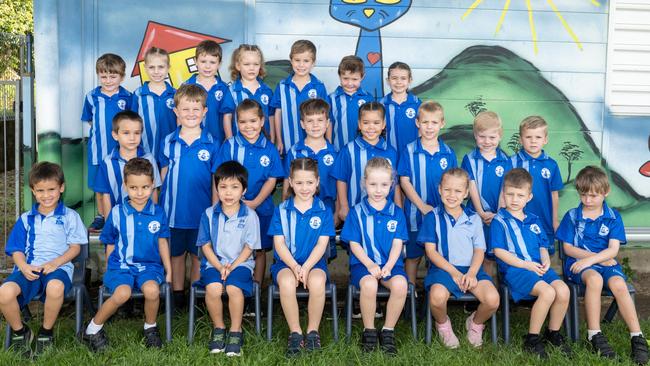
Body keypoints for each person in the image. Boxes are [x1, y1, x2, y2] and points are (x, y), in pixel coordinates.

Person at [556, 166, 648, 364]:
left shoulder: (613, 217)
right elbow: (569, 249)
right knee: (595, 279)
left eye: (593, 196)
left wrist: (596, 259)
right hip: (579, 264)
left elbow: (613, 250)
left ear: (606, 192)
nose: (588, 200)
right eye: (583, 195)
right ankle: (594, 334)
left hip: (603, 262)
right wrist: (593, 258)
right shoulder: (572, 216)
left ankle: (637, 337)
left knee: (619, 285)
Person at [82, 158, 172, 351]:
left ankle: (150, 328)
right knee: (122, 293)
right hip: (121, 266)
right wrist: (109, 268)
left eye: (145, 187)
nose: (139, 193)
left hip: (150, 266)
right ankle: (92, 329)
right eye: (133, 188)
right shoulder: (116, 213)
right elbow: (110, 242)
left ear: (152, 185)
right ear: (125, 186)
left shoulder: (158, 213)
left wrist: (169, 270)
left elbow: (162, 242)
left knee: (152, 291)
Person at [0, 162, 87, 356]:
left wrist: (56, 263)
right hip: (29, 268)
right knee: (4, 293)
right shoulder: (26, 218)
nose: (46, 195)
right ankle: (21, 332)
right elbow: (16, 250)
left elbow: (75, 248)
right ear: (33, 190)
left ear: (61, 188)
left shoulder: (70, 216)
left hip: (59, 268)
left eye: (51, 189)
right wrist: (22, 266)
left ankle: (46, 333)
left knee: (55, 287)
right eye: (40, 190)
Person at [491, 168, 570, 359]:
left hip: (537, 267)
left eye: (520, 195)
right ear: (503, 194)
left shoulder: (534, 220)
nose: (515, 199)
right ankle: (532, 339)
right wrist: (525, 265)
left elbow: (543, 245)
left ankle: (553, 333)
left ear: (529, 197)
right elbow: (499, 251)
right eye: (510, 194)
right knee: (548, 292)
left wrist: (545, 260)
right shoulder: (499, 221)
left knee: (563, 290)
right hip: (516, 270)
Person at [418, 168, 499, 348]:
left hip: (471, 269)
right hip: (444, 270)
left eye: (457, 191)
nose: (452, 195)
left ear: (466, 194)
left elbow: (479, 250)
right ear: (440, 190)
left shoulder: (474, 218)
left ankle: (476, 324)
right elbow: (431, 252)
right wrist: (454, 273)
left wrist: (471, 273)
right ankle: (443, 325)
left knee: (493, 299)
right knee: (437, 297)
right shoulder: (432, 217)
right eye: (447, 190)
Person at [159, 84, 220, 310]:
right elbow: (162, 177)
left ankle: (195, 298)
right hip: (173, 213)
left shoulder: (212, 143)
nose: (191, 114)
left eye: (196, 110)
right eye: (185, 110)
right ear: (176, 111)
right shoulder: (168, 141)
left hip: (201, 213)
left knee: (197, 256)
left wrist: (215, 209)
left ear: (205, 111)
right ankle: (177, 298)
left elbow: (216, 180)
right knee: (175, 256)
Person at [340, 157, 408, 356]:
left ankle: (388, 331)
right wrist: (370, 264)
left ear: (392, 185)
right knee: (369, 285)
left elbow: (397, 244)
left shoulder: (396, 212)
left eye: (384, 185)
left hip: (391, 264)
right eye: (373, 184)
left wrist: (388, 266)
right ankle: (369, 331)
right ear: (364, 183)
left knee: (400, 285)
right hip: (363, 265)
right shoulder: (356, 212)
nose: (378, 190)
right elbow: (354, 244)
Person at [269, 158, 335, 356]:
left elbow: (322, 244)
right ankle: (295, 333)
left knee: (317, 281)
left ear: (317, 182)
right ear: (290, 182)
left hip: (314, 263)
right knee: (287, 283)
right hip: (285, 264)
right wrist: (295, 267)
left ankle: (313, 332)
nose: (304, 187)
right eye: (298, 183)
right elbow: (279, 245)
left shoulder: (324, 210)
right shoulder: (281, 210)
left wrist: (305, 267)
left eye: (309, 182)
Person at [196, 161, 261, 357]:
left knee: (233, 288)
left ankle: (235, 330)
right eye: (223, 187)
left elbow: (250, 247)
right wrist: (219, 265)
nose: (228, 193)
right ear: (216, 188)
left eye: (235, 187)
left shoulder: (250, 215)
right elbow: (205, 245)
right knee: (214, 288)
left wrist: (232, 266)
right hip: (214, 263)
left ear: (244, 190)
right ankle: (219, 328)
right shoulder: (208, 214)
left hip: (241, 263)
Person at [217, 99, 284, 285]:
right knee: (235, 248)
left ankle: (256, 290)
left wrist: (255, 203)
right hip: (231, 209)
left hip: (261, 208)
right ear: (237, 123)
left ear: (262, 121)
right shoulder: (230, 146)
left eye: (253, 121)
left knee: (259, 249)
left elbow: (272, 179)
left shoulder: (269, 148)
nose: (248, 126)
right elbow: (219, 175)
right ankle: (234, 285)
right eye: (243, 122)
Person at [398, 101, 457, 285]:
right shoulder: (409, 150)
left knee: (438, 256)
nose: (429, 127)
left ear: (442, 123)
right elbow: (404, 181)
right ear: (417, 123)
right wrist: (422, 206)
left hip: (441, 217)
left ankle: (434, 295)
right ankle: (410, 297)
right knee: (413, 258)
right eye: (425, 122)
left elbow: (454, 182)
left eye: (434, 122)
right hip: (416, 215)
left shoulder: (448, 153)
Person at [282, 98, 339, 258]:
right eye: (310, 121)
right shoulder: (294, 151)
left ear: (327, 123)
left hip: (326, 209)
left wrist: (337, 211)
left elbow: (340, 184)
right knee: (299, 248)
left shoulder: (334, 152)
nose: (315, 125)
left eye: (320, 120)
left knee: (323, 251)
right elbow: (288, 182)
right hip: (298, 210)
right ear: (302, 124)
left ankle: (321, 280)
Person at [82, 53, 132, 231]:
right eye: (104, 76)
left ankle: (124, 212)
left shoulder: (127, 97)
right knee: (99, 186)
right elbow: (89, 120)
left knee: (122, 182)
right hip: (98, 151)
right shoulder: (91, 97)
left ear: (122, 76)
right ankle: (102, 216)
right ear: (98, 75)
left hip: (120, 151)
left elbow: (131, 122)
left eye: (113, 76)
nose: (108, 80)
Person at [332, 102, 400, 225]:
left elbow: (396, 184)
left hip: (384, 214)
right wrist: (343, 206)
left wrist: (399, 208)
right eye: (366, 123)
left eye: (376, 123)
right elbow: (341, 180)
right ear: (359, 124)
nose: (371, 127)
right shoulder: (349, 150)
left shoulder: (390, 152)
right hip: (354, 212)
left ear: (384, 124)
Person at [461, 111, 511, 276]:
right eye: (482, 137)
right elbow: (472, 187)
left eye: (492, 137)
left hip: (497, 216)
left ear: (500, 136)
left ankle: (490, 291)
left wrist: (498, 213)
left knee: (491, 257)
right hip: (475, 215)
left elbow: (505, 189)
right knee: (475, 253)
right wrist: (481, 212)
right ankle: (473, 293)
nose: (487, 141)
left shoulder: (505, 160)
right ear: (475, 136)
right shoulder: (469, 159)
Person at [93, 110, 162, 219]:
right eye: (126, 133)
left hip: (144, 220)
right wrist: (109, 224)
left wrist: (153, 218)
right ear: (115, 135)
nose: (132, 138)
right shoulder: (108, 163)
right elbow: (105, 196)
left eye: (137, 133)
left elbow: (153, 190)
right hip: (119, 221)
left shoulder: (149, 159)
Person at [510, 116, 563, 254]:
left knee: (544, 256)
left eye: (538, 137)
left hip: (544, 221)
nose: (533, 141)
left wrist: (555, 220)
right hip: (517, 221)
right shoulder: (512, 163)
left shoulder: (551, 165)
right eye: (528, 137)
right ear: (521, 139)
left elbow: (554, 195)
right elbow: (504, 193)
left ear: (545, 140)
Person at [270, 39, 328, 155]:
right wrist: (279, 140)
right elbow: (277, 113)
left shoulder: (318, 86)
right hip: (288, 143)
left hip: (313, 145)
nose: (301, 65)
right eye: (297, 60)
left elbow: (326, 116)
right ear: (291, 60)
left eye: (306, 61)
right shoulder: (282, 86)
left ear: (313, 63)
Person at [184, 40, 235, 143]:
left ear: (219, 64)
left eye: (212, 62)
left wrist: (229, 139)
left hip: (218, 141)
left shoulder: (223, 88)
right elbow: (181, 115)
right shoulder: (186, 86)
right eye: (203, 61)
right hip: (193, 142)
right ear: (195, 61)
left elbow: (227, 115)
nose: (207, 66)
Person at [131, 47, 177, 159]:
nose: (156, 71)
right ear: (145, 68)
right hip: (145, 151)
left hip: (171, 150)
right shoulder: (139, 94)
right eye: (151, 67)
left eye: (161, 67)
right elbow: (132, 122)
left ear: (168, 68)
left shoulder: (176, 94)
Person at [224, 44, 274, 140]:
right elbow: (227, 116)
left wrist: (272, 139)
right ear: (238, 66)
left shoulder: (266, 90)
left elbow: (271, 116)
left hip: (264, 143)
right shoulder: (232, 91)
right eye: (247, 64)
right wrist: (230, 140)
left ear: (260, 66)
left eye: (256, 64)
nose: (252, 68)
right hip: (239, 144)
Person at [328, 55, 373, 151]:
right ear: (339, 75)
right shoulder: (332, 98)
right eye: (345, 78)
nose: (349, 83)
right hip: (338, 149)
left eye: (354, 79)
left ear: (362, 77)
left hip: (363, 150)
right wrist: (329, 145)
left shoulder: (368, 98)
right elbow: (328, 124)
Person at [380, 62, 421, 156]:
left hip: (411, 155)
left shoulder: (417, 104)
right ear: (388, 80)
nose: (398, 82)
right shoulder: (381, 105)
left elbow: (422, 130)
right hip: (389, 155)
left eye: (403, 78)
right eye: (394, 78)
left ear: (410, 80)